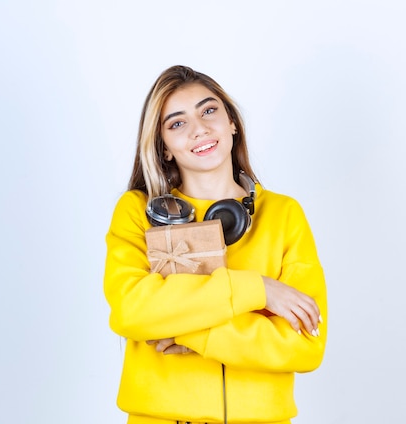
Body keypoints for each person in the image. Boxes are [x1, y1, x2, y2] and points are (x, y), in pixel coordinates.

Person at [104, 65, 327, 424]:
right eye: (177, 123)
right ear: (164, 148)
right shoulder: (135, 212)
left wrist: (193, 332)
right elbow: (131, 310)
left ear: (232, 123)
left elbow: (305, 344)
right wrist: (259, 290)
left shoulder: (285, 214)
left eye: (209, 111)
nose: (200, 129)